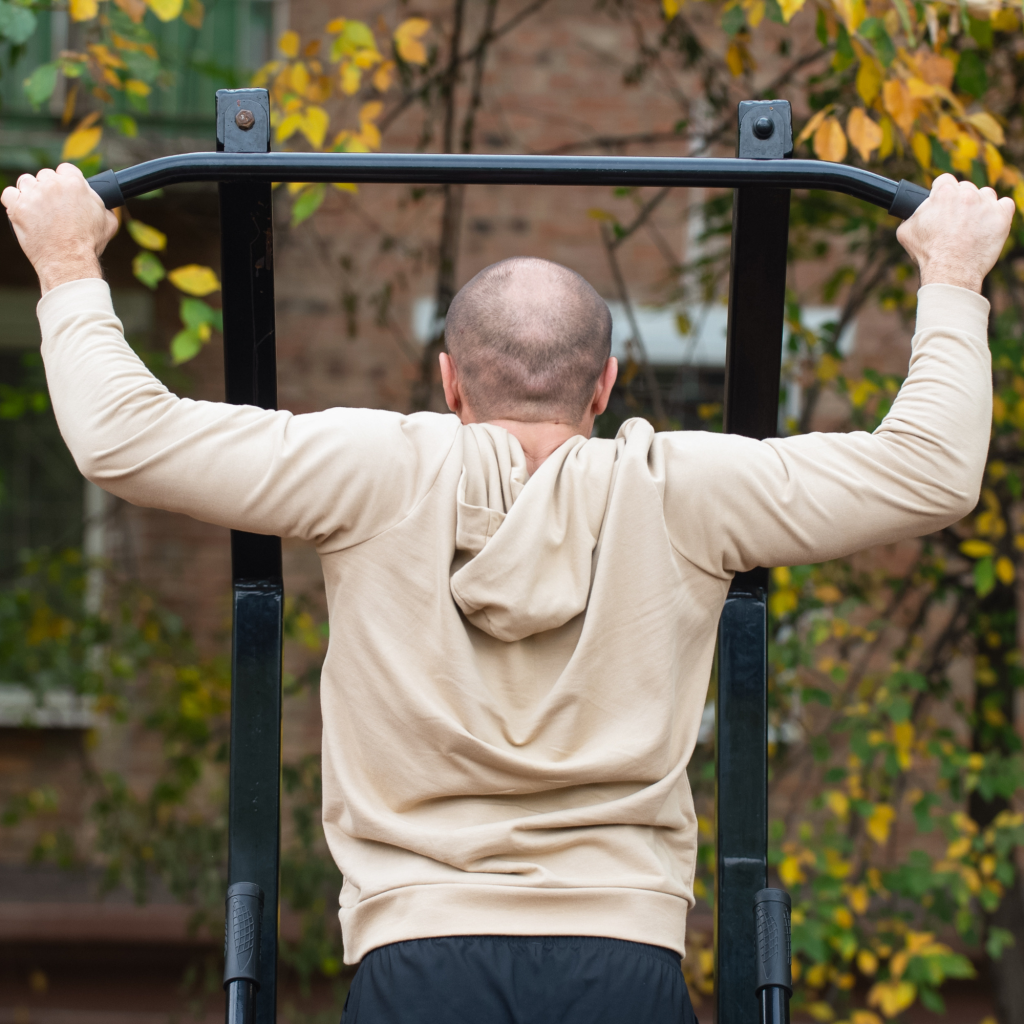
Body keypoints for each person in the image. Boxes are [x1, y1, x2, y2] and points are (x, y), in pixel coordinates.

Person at [3, 165, 1012, 1024]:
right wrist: (953, 276)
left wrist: (65, 265)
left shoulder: (369, 468)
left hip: (416, 955)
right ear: (605, 382)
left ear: (448, 380)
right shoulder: (685, 490)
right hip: (623, 956)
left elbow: (125, 436)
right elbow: (927, 470)